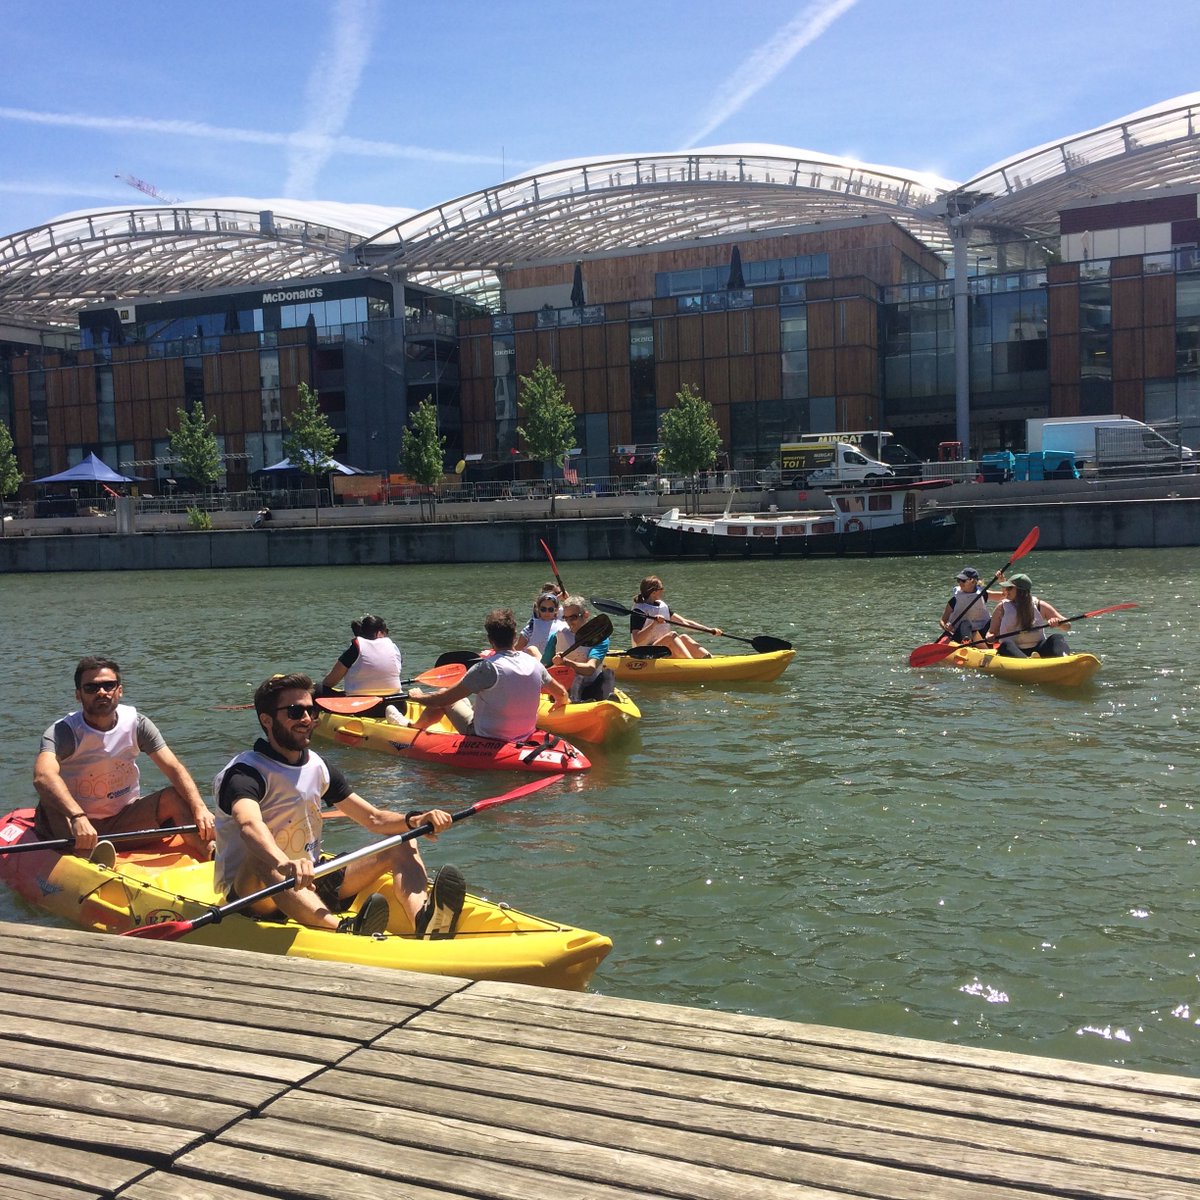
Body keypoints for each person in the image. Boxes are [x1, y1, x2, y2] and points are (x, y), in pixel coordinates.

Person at [213, 672, 466, 937]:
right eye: (295, 712)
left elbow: (374, 819)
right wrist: (284, 863)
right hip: (255, 894)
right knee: (260, 857)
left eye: (311, 711)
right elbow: (249, 825)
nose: (307, 719)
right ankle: (342, 931)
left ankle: (424, 922)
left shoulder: (317, 765)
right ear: (267, 720)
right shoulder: (245, 773)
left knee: (402, 840)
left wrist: (415, 820)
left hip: (310, 877)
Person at [33, 656, 214, 861]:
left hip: (122, 819)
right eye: (91, 688)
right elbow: (43, 776)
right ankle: (84, 859)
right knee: (50, 799)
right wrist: (78, 816)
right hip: (74, 824)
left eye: (108, 685)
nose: (101, 692)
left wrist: (200, 807)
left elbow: (173, 767)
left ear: (119, 690)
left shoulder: (137, 724)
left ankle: (212, 852)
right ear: (78, 695)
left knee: (175, 797)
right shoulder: (64, 732)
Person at [409, 608, 569, 739]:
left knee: (445, 695)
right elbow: (562, 694)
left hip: (486, 735)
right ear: (514, 636)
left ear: (490, 640)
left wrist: (417, 697)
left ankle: (413, 729)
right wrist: (559, 704)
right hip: (524, 734)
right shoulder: (535, 664)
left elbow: (441, 700)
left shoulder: (486, 668)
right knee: (465, 699)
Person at [630, 575, 719, 659]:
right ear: (653, 592)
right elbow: (637, 639)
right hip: (644, 654)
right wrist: (654, 624)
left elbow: (685, 622)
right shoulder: (639, 611)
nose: (663, 590)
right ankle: (691, 663)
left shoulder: (662, 606)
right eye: (661, 588)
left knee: (684, 637)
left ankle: (710, 660)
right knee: (671, 636)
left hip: (660, 651)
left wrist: (710, 630)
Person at [986, 573, 1073, 658]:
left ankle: (1065, 658)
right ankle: (1027, 661)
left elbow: (1068, 626)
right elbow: (991, 633)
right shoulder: (1002, 607)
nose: (1006, 591)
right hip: (1012, 650)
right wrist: (990, 637)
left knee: (1057, 637)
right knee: (1005, 644)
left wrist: (1059, 623)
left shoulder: (1039, 605)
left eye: (1010, 588)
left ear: (1021, 591)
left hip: (1038, 649)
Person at [549, 596, 615, 702]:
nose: (569, 622)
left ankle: (608, 702)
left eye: (573, 617)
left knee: (608, 673)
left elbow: (590, 668)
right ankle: (573, 701)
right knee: (577, 678)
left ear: (586, 615)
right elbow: (544, 665)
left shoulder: (600, 639)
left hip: (591, 687)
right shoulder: (557, 636)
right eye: (566, 618)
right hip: (564, 686)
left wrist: (565, 662)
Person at [321, 614, 403, 696]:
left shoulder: (355, 649)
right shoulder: (393, 647)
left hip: (358, 700)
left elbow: (329, 682)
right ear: (378, 633)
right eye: (386, 631)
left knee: (317, 689)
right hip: (395, 697)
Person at [940, 567, 1005, 645]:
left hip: (981, 632)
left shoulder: (982, 594)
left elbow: (1005, 595)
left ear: (973, 581)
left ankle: (991, 641)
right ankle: (966, 641)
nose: (960, 583)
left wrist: (1002, 581)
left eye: (963, 581)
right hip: (961, 634)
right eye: (958, 580)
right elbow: (943, 620)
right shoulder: (955, 599)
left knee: (995, 619)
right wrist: (946, 627)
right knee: (965, 623)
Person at [514, 589, 569, 661]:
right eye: (543, 609)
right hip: (533, 663)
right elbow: (517, 648)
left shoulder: (563, 625)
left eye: (550, 609)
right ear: (538, 609)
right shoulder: (531, 627)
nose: (547, 612)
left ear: (556, 610)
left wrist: (567, 600)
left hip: (556, 662)